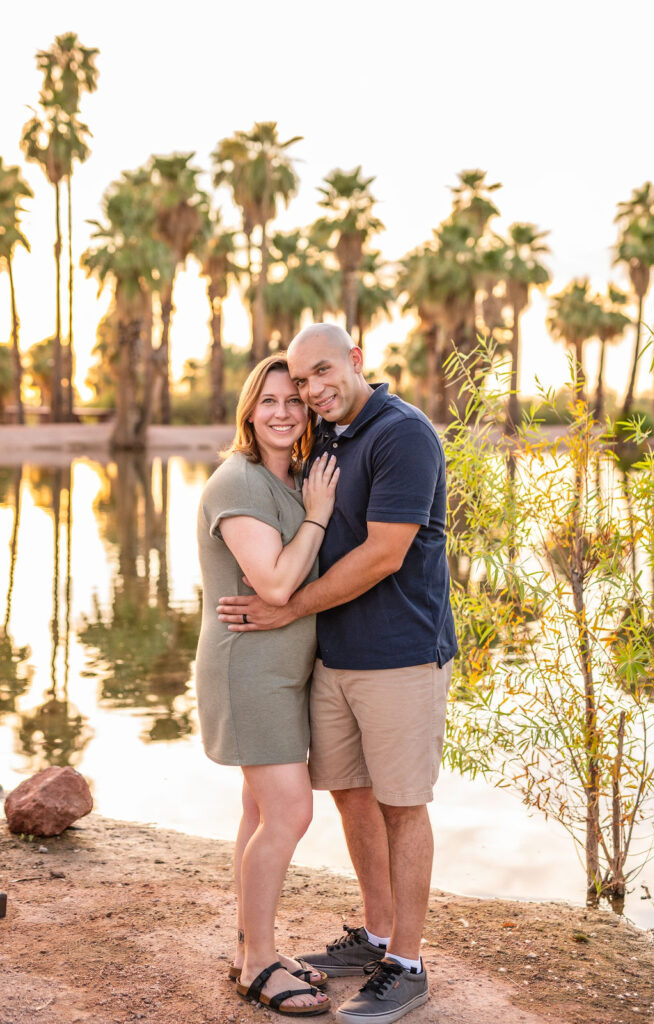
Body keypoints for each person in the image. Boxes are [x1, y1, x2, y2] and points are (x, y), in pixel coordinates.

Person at [217, 323, 457, 1024]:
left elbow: (384, 554)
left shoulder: (401, 434)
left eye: (323, 373)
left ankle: (406, 966)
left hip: (400, 655)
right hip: (336, 656)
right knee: (351, 796)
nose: (312, 392)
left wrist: (285, 610)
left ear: (355, 360)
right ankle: (376, 936)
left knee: (402, 805)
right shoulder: (325, 435)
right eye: (300, 384)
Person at [195, 353, 339, 1017]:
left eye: (295, 400)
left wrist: (311, 502)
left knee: (258, 813)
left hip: (280, 670)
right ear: (248, 410)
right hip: (247, 669)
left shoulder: (285, 478)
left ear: (309, 408)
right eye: (269, 400)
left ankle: (253, 946)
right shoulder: (239, 482)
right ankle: (256, 964)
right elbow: (276, 583)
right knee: (288, 812)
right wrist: (318, 514)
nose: (283, 412)